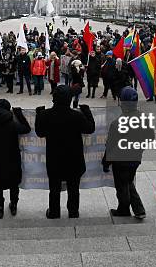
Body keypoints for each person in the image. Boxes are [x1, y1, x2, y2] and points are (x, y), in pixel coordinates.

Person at [35, 85, 95, 218]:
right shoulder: (76, 116)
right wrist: (87, 111)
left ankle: (54, 212)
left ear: (54, 98)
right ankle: (73, 212)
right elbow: (90, 128)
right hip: (74, 160)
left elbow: (40, 132)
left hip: (54, 160)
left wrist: (38, 115)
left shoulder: (46, 115)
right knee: (74, 189)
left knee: (54, 189)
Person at [102, 86, 146, 219]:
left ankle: (123, 209)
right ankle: (139, 209)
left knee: (122, 186)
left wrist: (105, 162)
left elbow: (110, 145)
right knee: (128, 181)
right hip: (135, 158)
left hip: (120, 161)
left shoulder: (117, 123)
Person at [0, 99, 31, 219]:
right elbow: (26, 129)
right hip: (12, 159)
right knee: (14, 183)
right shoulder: (13, 124)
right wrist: (19, 115)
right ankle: (13, 204)